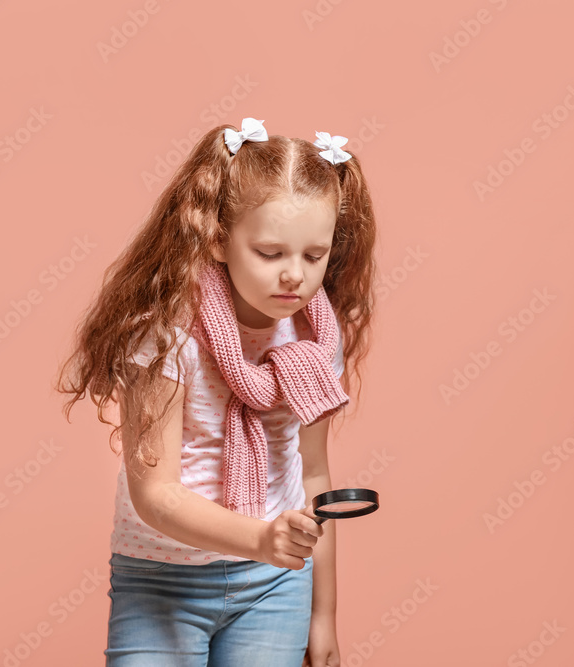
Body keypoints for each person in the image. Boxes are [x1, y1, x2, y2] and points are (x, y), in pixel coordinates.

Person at [56, 117, 378, 666]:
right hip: (162, 579)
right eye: (270, 253)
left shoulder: (314, 338)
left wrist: (323, 614)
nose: (294, 276)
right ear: (219, 240)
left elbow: (313, 474)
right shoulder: (165, 335)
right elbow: (155, 494)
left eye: (313, 255)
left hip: (275, 585)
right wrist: (258, 539)